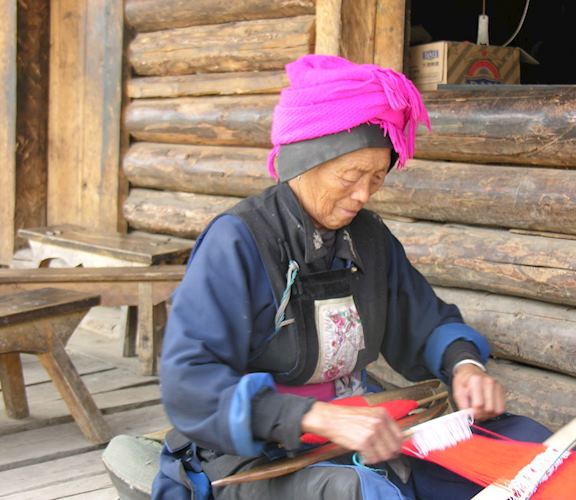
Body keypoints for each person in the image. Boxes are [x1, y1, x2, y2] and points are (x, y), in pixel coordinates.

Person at [151, 54, 550, 500]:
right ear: (306, 158)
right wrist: (313, 417)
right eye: (351, 175)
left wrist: (464, 367)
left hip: (360, 425)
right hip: (258, 452)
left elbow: (425, 322)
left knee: (527, 447)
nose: (362, 194)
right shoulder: (239, 242)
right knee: (355, 492)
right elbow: (189, 382)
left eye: (376, 178)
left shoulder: (368, 239)